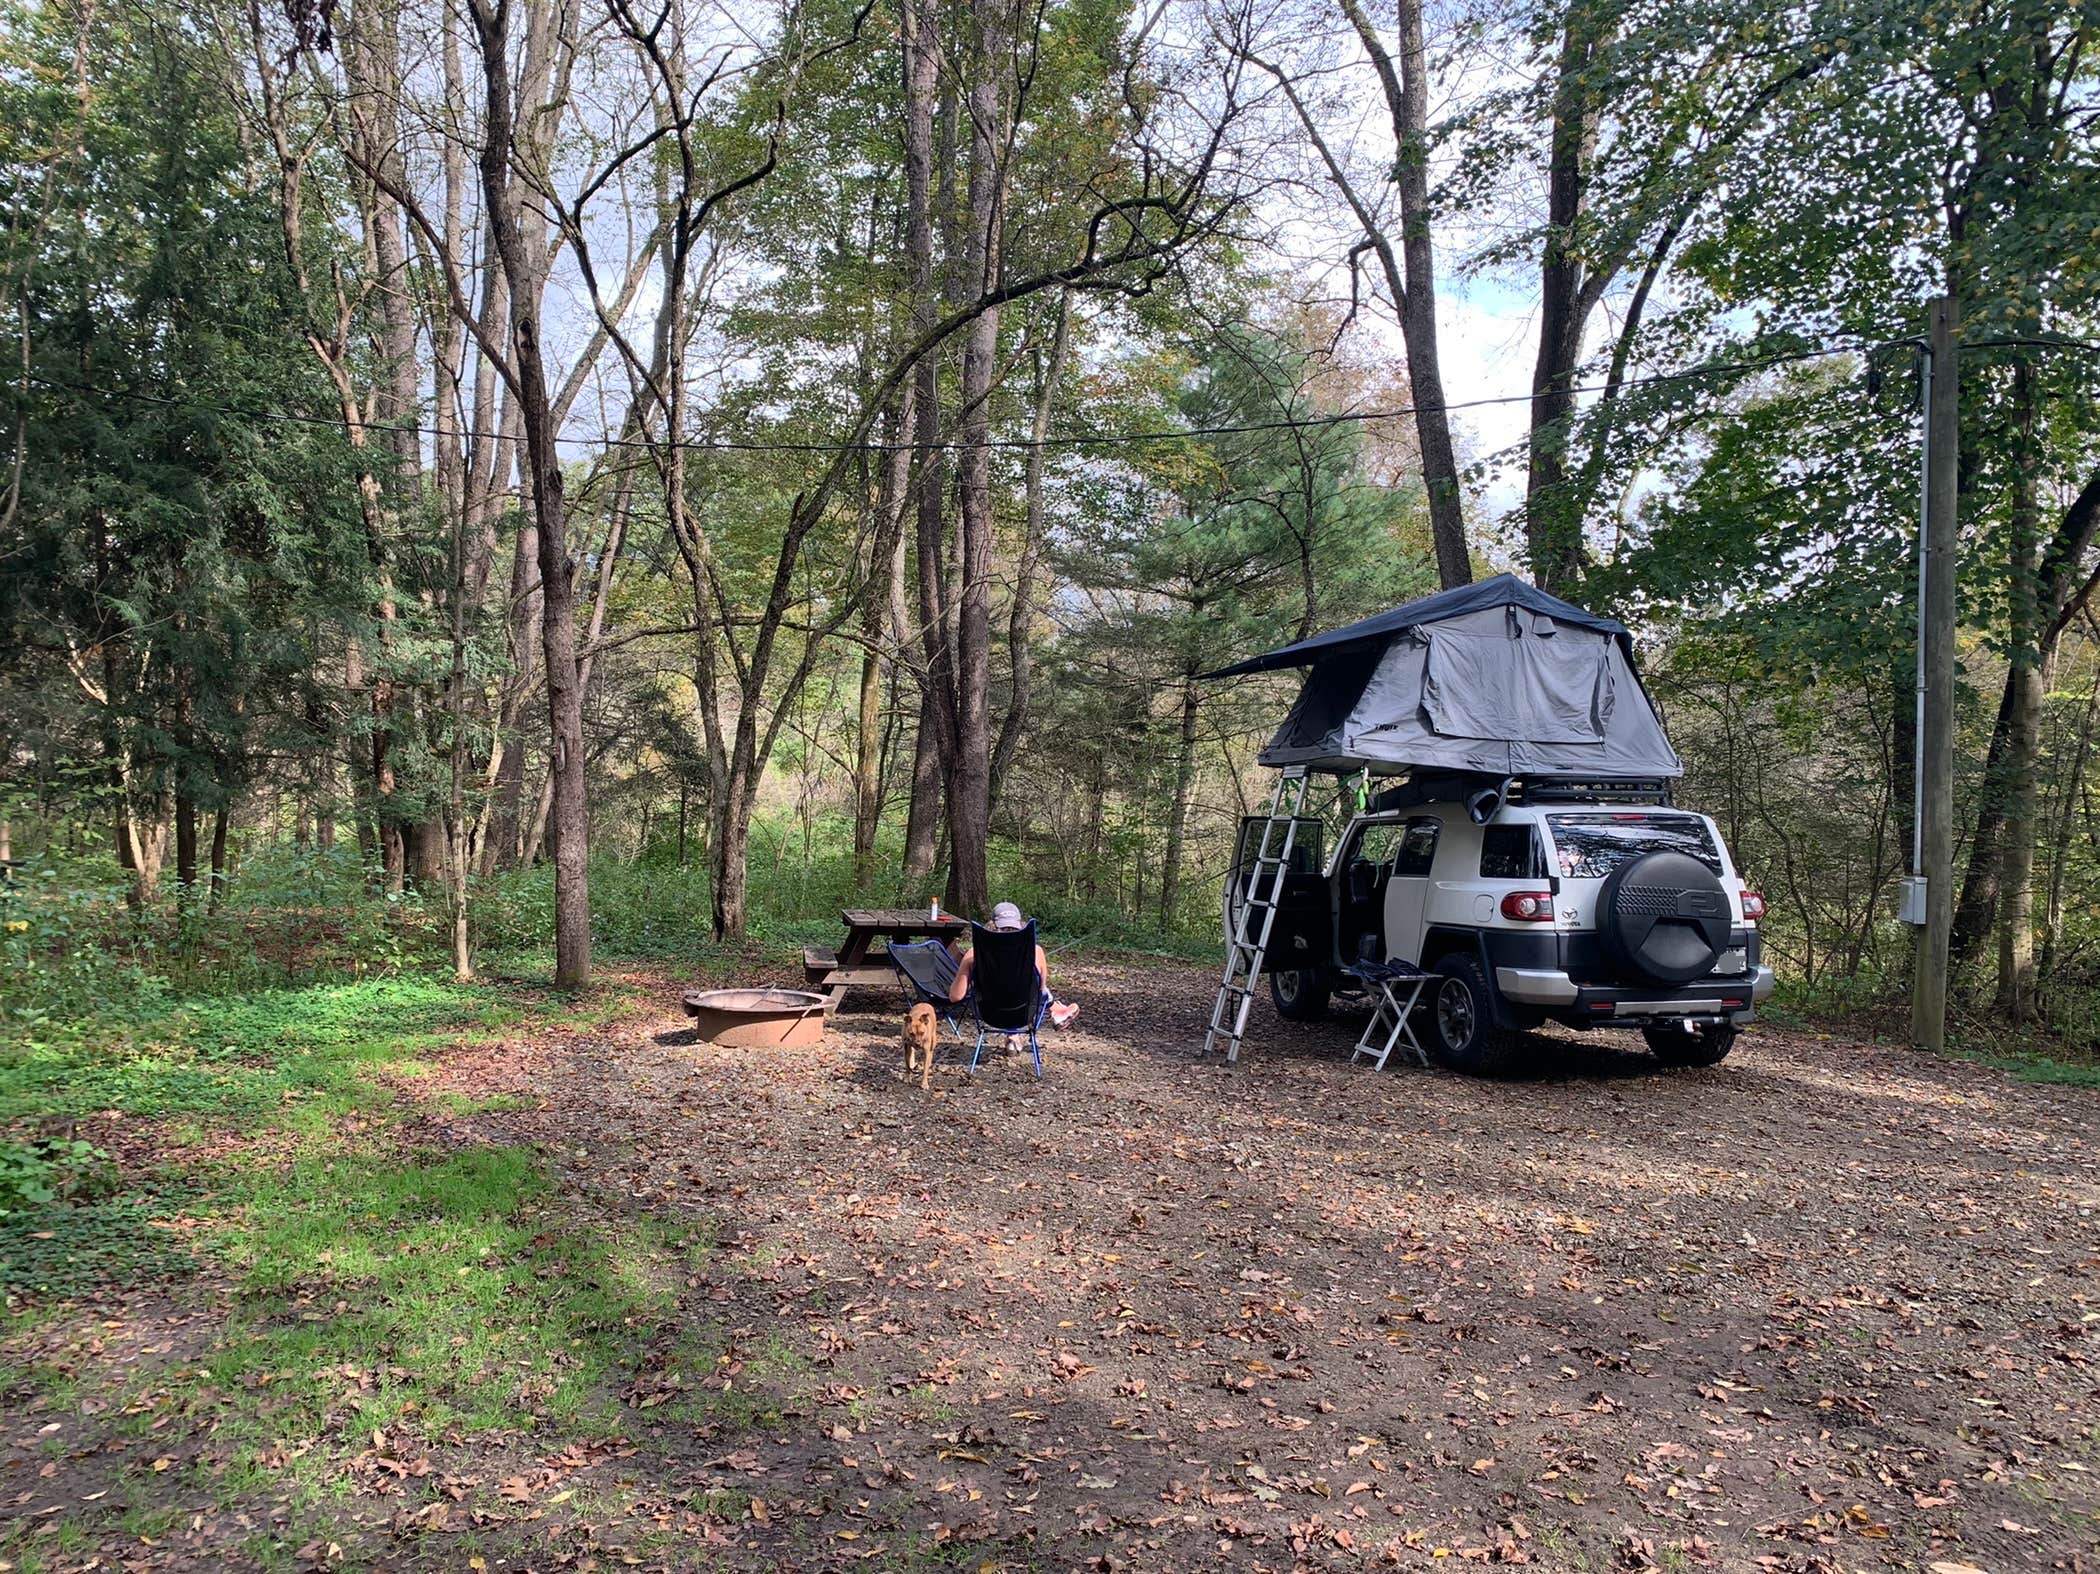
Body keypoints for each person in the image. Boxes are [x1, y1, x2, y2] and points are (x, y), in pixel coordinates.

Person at [948, 901, 1080, 1027]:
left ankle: (1014, 1037)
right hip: (1023, 1015)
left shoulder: (974, 954)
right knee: (1030, 990)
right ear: (1021, 926)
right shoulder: (1036, 952)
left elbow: (955, 996)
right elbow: (1041, 992)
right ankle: (1053, 1013)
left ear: (992, 925)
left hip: (990, 1015)